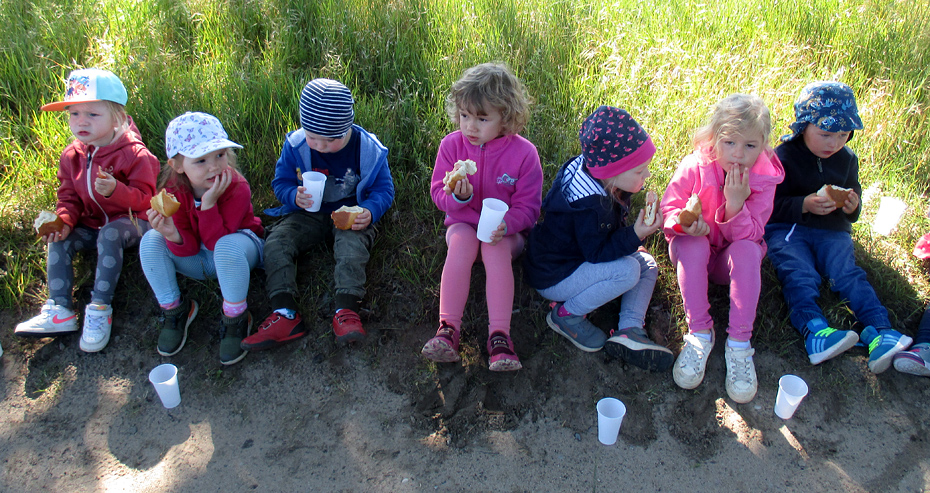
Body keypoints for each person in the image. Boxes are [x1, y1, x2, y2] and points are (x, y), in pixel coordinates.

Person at [765, 81, 911, 374]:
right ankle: (815, 331)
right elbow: (768, 206)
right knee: (799, 272)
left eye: (844, 134)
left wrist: (852, 205)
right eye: (826, 134)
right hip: (789, 228)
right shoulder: (783, 156)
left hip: (833, 231)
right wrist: (803, 204)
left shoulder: (846, 159)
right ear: (804, 126)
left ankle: (880, 331)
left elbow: (854, 198)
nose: (834, 143)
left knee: (848, 274)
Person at [241, 78, 393, 350]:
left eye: (331, 140)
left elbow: (384, 189)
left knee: (351, 248)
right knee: (276, 242)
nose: (320, 146)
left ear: (347, 129)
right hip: (307, 214)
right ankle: (284, 312)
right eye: (313, 138)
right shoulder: (297, 145)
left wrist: (369, 211)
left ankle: (347, 309)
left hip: (350, 213)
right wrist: (292, 196)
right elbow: (281, 182)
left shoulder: (367, 149)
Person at [14, 68, 159, 352]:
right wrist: (65, 220)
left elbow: (146, 199)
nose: (82, 122)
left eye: (93, 114)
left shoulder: (135, 154)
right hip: (91, 224)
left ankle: (100, 307)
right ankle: (59, 308)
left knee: (110, 234)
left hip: (132, 223)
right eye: (74, 114)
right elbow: (68, 195)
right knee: (60, 239)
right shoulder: (73, 155)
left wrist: (116, 191)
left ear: (117, 116)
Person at [524, 106, 672, 371]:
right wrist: (635, 234)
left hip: (572, 258)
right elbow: (597, 253)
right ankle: (566, 315)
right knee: (628, 271)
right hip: (555, 274)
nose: (646, 176)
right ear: (612, 171)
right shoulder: (590, 206)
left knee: (646, 264)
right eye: (639, 172)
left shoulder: (596, 174)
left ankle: (630, 328)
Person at [420, 62, 543, 371]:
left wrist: (508, 225)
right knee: (461, 242)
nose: (470, 127)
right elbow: (437, 193)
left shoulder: (524, 154)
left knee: (494, 248)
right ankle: (447, 330)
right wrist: (459, 196)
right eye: (464, 116)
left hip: (506, 234)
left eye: (482, 118)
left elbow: (529, 207)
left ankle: (500, 337)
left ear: (506, 117)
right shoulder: (452, 146)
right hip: (462, 223)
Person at [661, 94, 784, 403]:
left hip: (727, 262)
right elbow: (670, 209)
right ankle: (700, 333)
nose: (738, 154)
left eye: (750, 146)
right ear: (714, 138)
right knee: (691, 243)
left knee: (747, 250)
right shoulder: (695, 166)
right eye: (729, 142)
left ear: (764, 145)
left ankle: (740, 344)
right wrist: (685, 224)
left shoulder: (762, 180)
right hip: (694, 251)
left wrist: (735, 204)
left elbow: (754, 233)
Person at [140, 112, 263, 365]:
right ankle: (174, 309)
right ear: (177, 165)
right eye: (201, 160)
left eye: (220, 154)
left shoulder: (236, 187)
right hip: (198, 258)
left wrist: (208, 206)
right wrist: (172, 234)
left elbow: (217, 243)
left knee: (226, 247)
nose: (214, 166)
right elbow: (191, 248)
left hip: (237, 254)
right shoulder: (172, 191)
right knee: (151, 239)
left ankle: (236, 317)